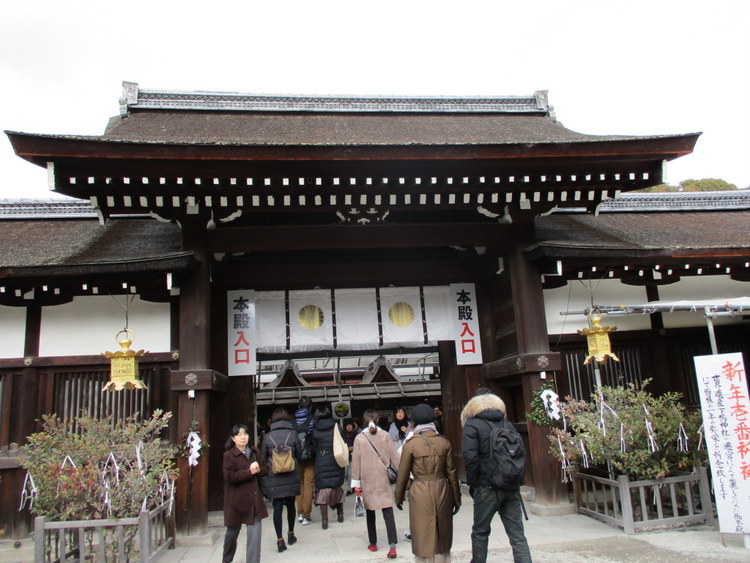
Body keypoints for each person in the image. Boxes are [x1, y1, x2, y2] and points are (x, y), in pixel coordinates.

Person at [461, 388, 532, 563]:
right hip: (510, 485)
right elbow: (518, 455)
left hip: (486, 486)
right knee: (517, 535)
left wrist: (473, 484)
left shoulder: (472, 425)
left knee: (480, 532)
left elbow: (470, 458)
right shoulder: (507, 425)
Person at [395, 403, 461, 563]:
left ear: (414, 421)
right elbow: (451, 472)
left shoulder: (411, 444)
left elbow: (403, 473)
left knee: (422, 532)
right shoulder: (443, 442)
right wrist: (456, 498)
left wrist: (398, 497)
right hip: (442, 487)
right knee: (442, 532)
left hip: (420, 489)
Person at [351, 409, 401, 559]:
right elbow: (395, 457)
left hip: (367, 479)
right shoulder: (385, 435)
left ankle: (373, 543)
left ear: (364, 421)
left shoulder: (359, 438)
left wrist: (356, 482)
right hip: (383, 477)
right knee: (387, 511)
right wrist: (404, 475)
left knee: (370, 512)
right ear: (378, 420)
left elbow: (356, 462)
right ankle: (392, 546)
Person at [222, 423, 269, 563]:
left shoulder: (254, 452)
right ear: (233, 439)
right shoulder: (229, 455)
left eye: (245, 434)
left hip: (253, 500)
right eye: (239, 435)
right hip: (235, 500)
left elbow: (266, 469)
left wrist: (259, 469)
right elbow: (230, 477)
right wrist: (249, 472)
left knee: (255, 537)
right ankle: (226, 560)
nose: (243, 437)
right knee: (232, 534)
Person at [260, 408, 303, 553]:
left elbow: (263, 458)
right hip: (291, 475)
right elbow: (299, 454)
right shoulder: (293, 434)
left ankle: (279, 540)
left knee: (277, 508)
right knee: (291, 505)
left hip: (274, 477)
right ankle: (291, 534)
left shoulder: (267, 437)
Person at [310, 406, 346, 529]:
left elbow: (314, 448)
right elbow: (343, 441)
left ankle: (324, 520)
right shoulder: (336, 426)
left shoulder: (315, 430)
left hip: (322, 461)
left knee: (322, 491)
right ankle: (340, 515)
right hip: (336, 460)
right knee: (337, 488)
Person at [294, 396, 315, 525]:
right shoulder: (312, 420)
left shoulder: (292, 421)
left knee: (300, 483)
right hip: (310, 456)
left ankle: (300, 513)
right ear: (310, 407)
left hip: (297, 456)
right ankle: (307, 515)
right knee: (308, 484)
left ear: (298, 406)